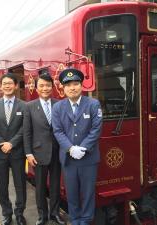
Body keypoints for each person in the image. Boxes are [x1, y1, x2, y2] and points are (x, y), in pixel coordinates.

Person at [52, 68, 103, 225]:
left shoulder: (93, 104)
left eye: (75, 84)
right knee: (72, 193)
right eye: (68, 85)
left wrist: (83, 148)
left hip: (88, 158)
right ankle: (75, 219)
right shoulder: (58, 107)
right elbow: (58, 131)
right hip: (69, 159)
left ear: (82, 86)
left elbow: (96, 129)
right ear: (63, 88)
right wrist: (71, 148)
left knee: (88, 193)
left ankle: (86, 220)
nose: (72, 88)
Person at [23, 70, 65, 225]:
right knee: (40, 187)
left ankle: (55, 213)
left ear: (52, 87)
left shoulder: (59, 104)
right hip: (38, 153)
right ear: (36, 87)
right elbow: (26, 132)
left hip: (57, 152)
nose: (45, 88)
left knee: (55, 185)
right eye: (42, 85)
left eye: (48, 85)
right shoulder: (29, 106)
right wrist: (28, 153)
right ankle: (42, 215)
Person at [0, 73, 27, 225]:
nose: (7, 86)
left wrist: (12, 143)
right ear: (0, 86)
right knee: (2, 185)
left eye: (10, 83)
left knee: (20, 185)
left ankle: (20, 213)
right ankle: (7, 213)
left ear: (16, 86)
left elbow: (25, 128)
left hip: (17, 152)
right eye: (5, 83)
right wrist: (2, 143)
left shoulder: (24, 105)